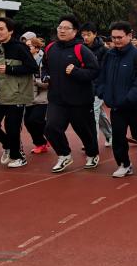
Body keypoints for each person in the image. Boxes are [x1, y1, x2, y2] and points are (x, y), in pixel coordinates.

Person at [42, 15, 102, 173]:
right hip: (57, 99)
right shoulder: (50, 48)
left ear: (75, 32)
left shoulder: (81, 49)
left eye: (66, 28)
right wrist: (45, 75)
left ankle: (92, 154)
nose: (61, 31)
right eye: (60, 27)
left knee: (85, 131)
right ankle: (64, 155)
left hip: (80, 100)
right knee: (51, 127)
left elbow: (94, 71)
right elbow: (45, 66)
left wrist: (76, 71)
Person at [95, 21, 137, 177]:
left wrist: (127, 99)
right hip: (116, 106)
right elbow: (101, 77)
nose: (116, 40)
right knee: (118, 136)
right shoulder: (109, 55)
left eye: (120, 37)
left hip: (136, 106)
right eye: (113, 37)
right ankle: (124, 164)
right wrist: (103, 93)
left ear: (129, 36)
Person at [0, 17, 38, 169]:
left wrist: (10, 69)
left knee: (12, 127)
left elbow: (33, 67)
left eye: (1, 29)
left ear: (10, 31)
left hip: (17, 93)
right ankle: (8, 145)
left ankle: (18, 156)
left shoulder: (20, 48)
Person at [80, 23, 114, 147]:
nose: (85, 37)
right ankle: (110, 134)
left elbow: (106, 70)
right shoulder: (80, 49)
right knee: (98, 113)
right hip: (85, 86)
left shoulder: (105, 50)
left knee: (92, 113)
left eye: (88, 34)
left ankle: (91, 142)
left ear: (95, 34)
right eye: (83, 35)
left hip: (99, 87)